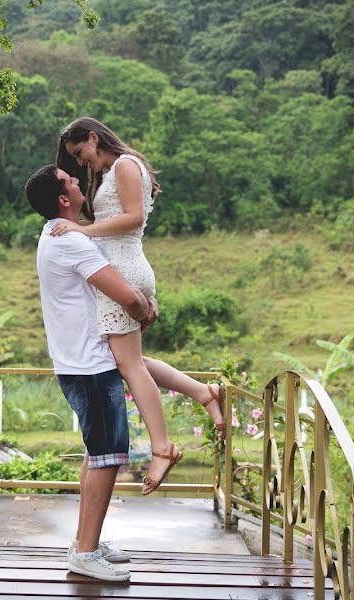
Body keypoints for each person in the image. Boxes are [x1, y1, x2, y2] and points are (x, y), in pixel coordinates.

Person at [25, 164, 225, 581]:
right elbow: (123, 293)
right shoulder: (73, 244)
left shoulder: (53, 235)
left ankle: (88, 541)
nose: (80, 183)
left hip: (83, 360)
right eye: (73, 182)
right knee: (106, 458)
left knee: (96, 453)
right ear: (65, 199)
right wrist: (144, 310)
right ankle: (84, 553)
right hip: (90, 366)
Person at [52, 117, 225, 494]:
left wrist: (83, 229)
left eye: (80, 153)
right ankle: (202, 392)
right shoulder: (115, 169)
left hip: (125, 272)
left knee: (129, 365)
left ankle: (162, 447)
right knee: (126, 361)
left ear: (94, 138)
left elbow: (134, 218)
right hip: (124, 270)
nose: (81, 163)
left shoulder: (126, 165)